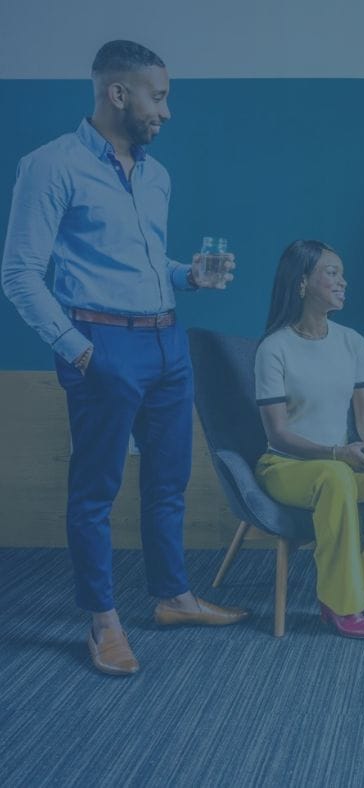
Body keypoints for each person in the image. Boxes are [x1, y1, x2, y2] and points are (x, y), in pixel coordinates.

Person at [1, 40, 248, 676]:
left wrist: (187, 275)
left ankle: (173, 597)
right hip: (102, 345)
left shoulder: (156, 174)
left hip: (168, 340)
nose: (166, 111)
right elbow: (20, 273)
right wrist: (80, 352)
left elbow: (144, 264)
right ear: (118, 93)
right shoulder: (50, 165)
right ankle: (102, 620)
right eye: (157, 96)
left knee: (167, 482)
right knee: (95, 491)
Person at [255, 240, 364, 639]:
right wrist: (337, 454)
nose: (343, 282)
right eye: (331, 272)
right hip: (286, 467)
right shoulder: (273, 348)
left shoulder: (352, 342)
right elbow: (277, 433)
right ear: (302, 282)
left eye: (341, 273)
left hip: (340, 463)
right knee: (335, 476)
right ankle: (340, 601)